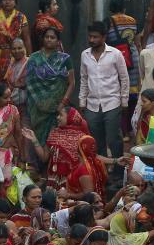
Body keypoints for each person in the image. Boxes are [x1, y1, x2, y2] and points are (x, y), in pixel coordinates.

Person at [80, 21, 129, 172]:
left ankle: (120, 172)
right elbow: (84, 79)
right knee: (96, 141)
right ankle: (101, 173)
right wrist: (82, 101)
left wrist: (124, 101)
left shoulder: (115, 54)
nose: (92, 40)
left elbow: (124, 78)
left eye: (95, 37)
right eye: (90, 37)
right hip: (92, 105)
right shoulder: (85, 55)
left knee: (114, 139)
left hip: (112, 103)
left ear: (104, 37)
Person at [25, 28, 75, 145]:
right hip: (37, 109)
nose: (49, 39)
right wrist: (39, 103)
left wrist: (62, 103)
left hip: (57, 109)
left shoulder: (65, 59)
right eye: (46, 37)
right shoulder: (33, 58)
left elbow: (72, 83)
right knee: (37, 140)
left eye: (52, 37)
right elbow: (30, 83)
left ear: (58, 41)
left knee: (55, 141)